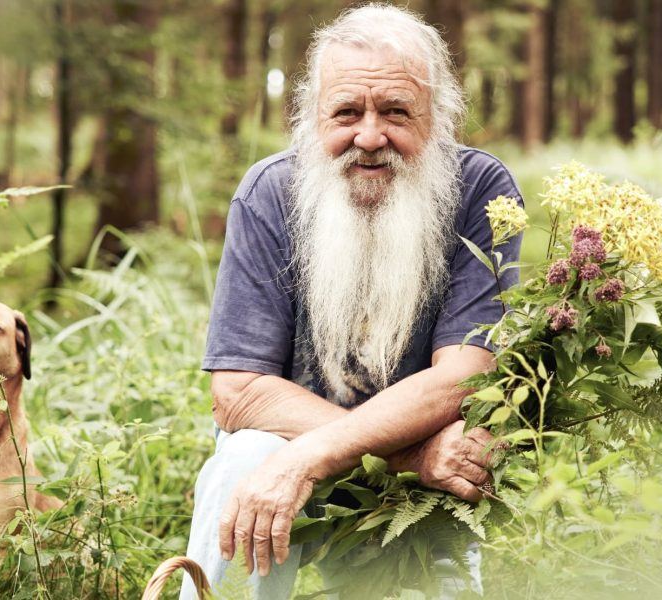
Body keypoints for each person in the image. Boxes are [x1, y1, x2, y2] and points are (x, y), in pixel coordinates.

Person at [180, 4, 523, 598]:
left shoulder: (480, 191)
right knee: (249, 458)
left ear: (437, 119)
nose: (368, 137)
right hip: (334, 455)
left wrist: (339, 455)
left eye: (395, 112)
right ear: (313, 119)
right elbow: (239, 393)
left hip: (426, 486)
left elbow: (463, 380)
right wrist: (405, 455)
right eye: (346, 112)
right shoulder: (269, 193)